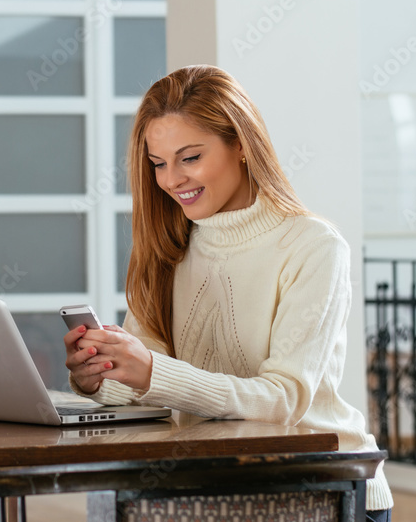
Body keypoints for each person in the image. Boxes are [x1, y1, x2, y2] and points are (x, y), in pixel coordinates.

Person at [64, 65, 393, 521]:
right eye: (158, 163)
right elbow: (152, 387)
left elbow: (283, 400)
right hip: (207, 481)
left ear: (240, 144)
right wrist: (100, 378)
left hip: (322, 486)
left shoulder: (312, 246)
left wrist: (151, 370)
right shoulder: (167, 246)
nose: (171, 179)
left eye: (190, 157)